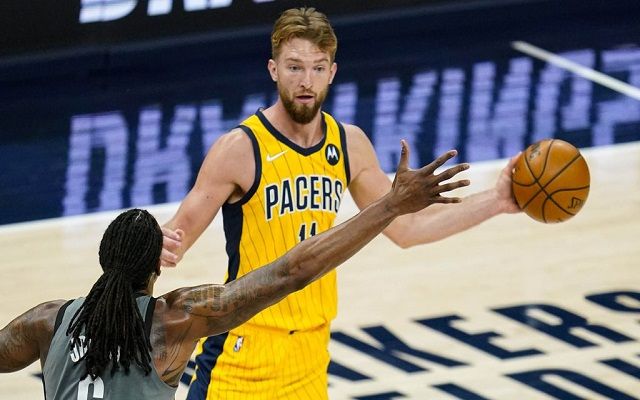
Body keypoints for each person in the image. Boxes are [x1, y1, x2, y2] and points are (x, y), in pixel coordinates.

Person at [161, 6, 521, 400]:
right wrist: (157, 242)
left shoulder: (349, 143)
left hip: (311, 359)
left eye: (318, 68)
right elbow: (176, 237)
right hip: (241, 355)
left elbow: (407, 228)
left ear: (332, 72)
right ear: (273, 70)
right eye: (294, 67)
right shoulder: (238, 149)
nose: (306, 81)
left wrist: (499, 199)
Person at [0, 142, 468, 400]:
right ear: (156, 267)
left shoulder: (47, 321)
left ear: (104, 257)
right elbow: (293, 271)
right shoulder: (174, 320)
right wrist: (389, 205)